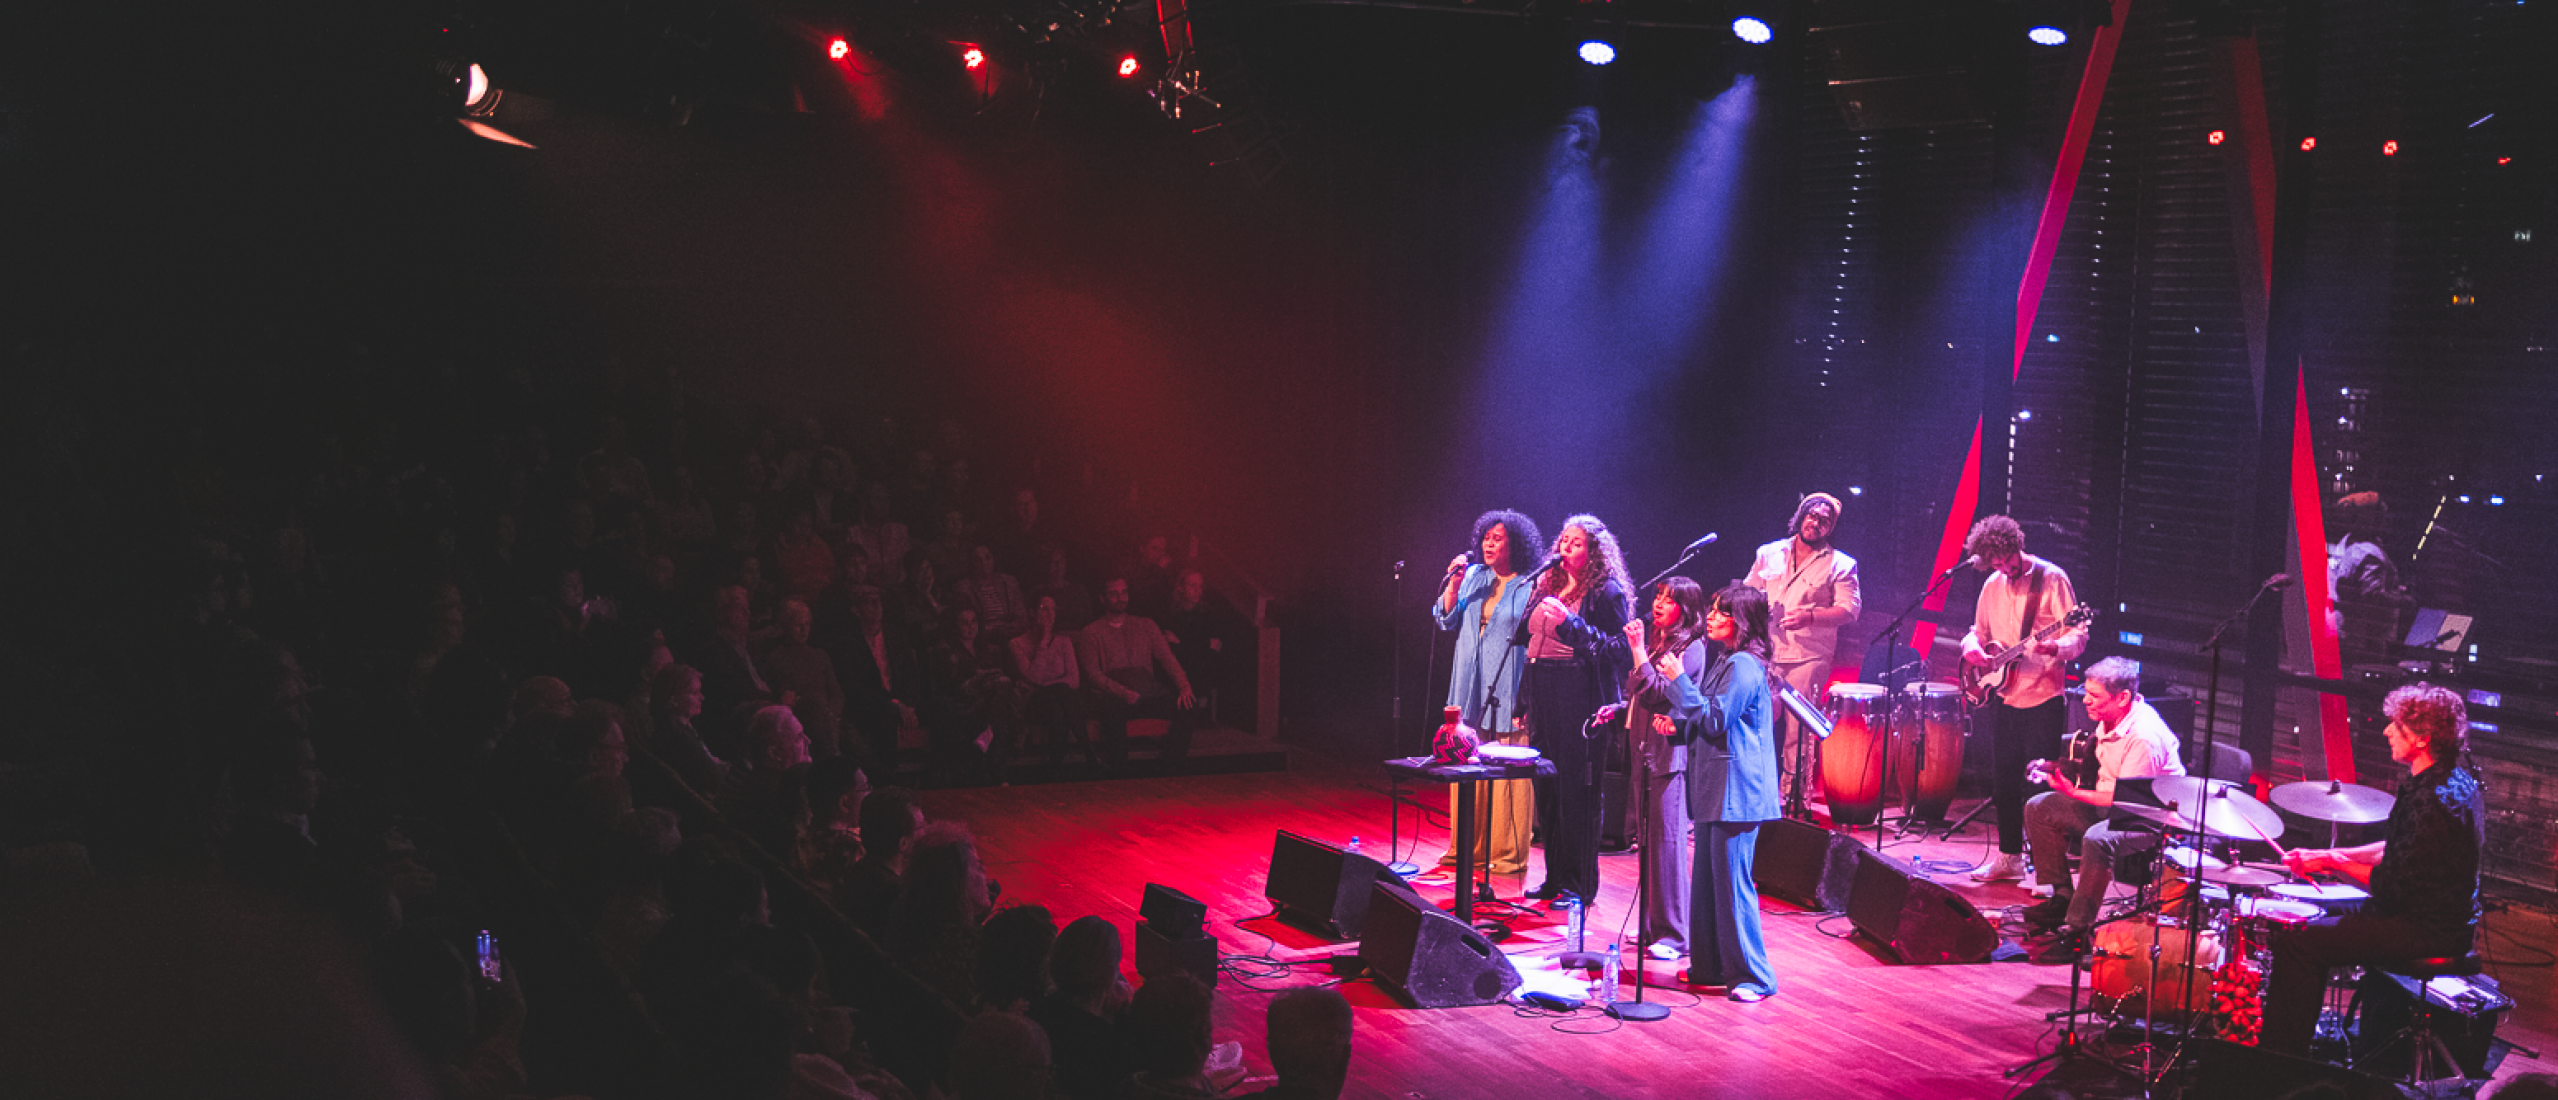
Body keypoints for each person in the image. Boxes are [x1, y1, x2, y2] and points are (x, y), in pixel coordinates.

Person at [2261, 683, 2485, 1057]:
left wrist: (2334, 864)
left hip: (2426, 930)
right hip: (2440, 921)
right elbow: (2400, 849)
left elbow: (2390, 887)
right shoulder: (2456, 783)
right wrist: (2327, 856)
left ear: (2422, 738)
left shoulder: (2430, 800)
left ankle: (2280, 1061)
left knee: (2299, 942)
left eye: (2395, 725)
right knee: (2313, 916)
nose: (2386, 732)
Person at [1654, 583, 1780, 1001]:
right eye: (1711, 610)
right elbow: (1704, 718)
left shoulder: (1744, 665)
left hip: (1738, 792)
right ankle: (1708, 965)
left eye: (1722, 613)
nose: (1711, 618)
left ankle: (1754, 978)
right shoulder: (1725, 660)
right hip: (1715, 788)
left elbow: (1717, 720)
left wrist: (1676, 683)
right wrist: (1678, 725)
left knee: (1732, 885)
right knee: (1707, 884)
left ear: (1742, 622)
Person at [2017, 656, 2187, 963]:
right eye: (2086, 693)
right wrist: (2057, 768)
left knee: (2098, 839)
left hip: (2147, 818)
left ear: (2122, 698)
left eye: (2094, 697)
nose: (2085, 701)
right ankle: (2062, 898)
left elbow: (2123, 799)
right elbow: (2101, 768)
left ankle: (2078, 929)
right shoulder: (2112, 716)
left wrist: (2073, 792)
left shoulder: (2143, 738)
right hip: (2112, 803)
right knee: (2039, 808)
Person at [1961, 515, 2088, 883]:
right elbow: (1977, 631)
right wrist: (1972, 649)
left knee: (2039, 784)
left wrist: (2055, 646)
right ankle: (2009, 858)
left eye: (2007, 560)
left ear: (2017, 546)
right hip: (2004, 695)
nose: (2004, 568)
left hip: (2043, 697)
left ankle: (2045, 869)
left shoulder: (2051, 578)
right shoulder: (1991, 584)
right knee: (2003, 782)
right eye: (1996, 564)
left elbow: (2077, 635)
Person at [1520, 514, 1633, 904]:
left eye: (1576, 543)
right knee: (1548, 787)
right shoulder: (1546, 584)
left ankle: (1580, 884)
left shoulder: (1607, 592)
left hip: (1580, 695)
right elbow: (1527, 642)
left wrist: (1571, 624)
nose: (1565, 548)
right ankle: (1555, 877)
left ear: (1595, 551)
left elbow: (1620, 651)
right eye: (1563, 541)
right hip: (1543, 689)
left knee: (1577, 792)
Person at [1429, 510, 1545, 878]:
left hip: (1509, 681)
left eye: (1498, 538)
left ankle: (1508, 853)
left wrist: (1528, 696)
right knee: (1466, 760)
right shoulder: (1474, 576)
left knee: (1509, 766)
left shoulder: (1531, 583)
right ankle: (1467, 848)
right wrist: (1452, 585)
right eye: (1486, 537)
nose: (1489, 544)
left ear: (1517, 543)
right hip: (1468, 681)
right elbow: (1445, 620)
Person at [1598, 576, 1707, 961]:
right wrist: (1616, 709)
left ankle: (1675, 934)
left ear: (1687, 609)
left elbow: (1661, 694)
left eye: (1669, 599)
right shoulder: (1662, 641)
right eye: (1658, 595)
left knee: (1667, 843)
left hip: (1667, 753)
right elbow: (1639, 692)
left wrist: (1637, 650)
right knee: (1646, 841)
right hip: (1643, 745)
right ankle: (1650, 924)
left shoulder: (1691, 647)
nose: (1658, 604)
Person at [1743, 492, 1861, 807]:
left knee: (1799, 734)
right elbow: (1747, 593)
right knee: (1758, 722)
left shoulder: (1841, 564)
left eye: (1825, 521)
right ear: (1801, 514)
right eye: (1813, 515)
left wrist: (1811, 616)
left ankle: (1792, 798)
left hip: (1809, 657)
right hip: (1767, 654)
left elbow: (1849, 610)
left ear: (1831, 528)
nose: (1816, 524)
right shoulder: (1769, 553)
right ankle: (1757, 789)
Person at [1079, 577, 1199, 768]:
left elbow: (1167, 659)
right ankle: (1119, 770)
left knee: (1187, 704)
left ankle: (1171, 766)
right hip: (1113, 696)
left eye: (1124, 592)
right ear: (1102, 598)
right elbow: (1093, 674)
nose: (1120, 598)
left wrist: (1184, 685)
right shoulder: (1092, 632)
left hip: (1145, 693)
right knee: (1112, 710)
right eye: (1113, 593)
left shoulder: (1146, 625)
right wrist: (1122, 692)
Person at [1010, 594, 1089, 764]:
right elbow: (1034, 679)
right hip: (1032, 703)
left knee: (1058, 710)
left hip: (1059, 703)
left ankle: (1056, 770)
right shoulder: (1017, 644)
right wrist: (1044, 643)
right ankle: (1089, 753)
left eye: (1053, 609)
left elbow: (1074, 680)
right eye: (1044, 609)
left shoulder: (1064, 642)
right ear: (1032, 613)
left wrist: (1048, 686)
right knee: (1062, 692)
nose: (1049, 614)